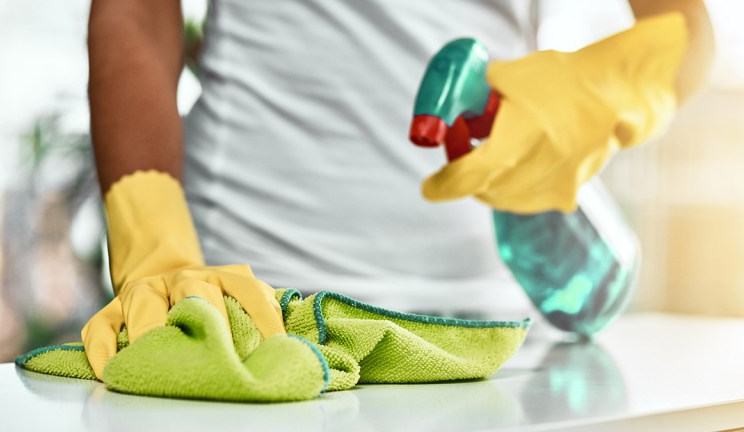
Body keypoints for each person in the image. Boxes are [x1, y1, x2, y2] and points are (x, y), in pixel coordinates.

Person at [81, 0, 714, 379]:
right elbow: (135, 11)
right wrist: (153, 234)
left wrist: (596, 94)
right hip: (261, 310)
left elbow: (685, 26)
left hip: (499, 335)